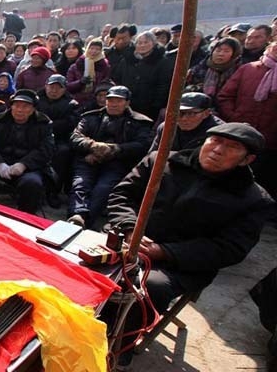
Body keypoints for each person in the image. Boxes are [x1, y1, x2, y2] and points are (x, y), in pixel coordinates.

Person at [106, 123, 274, 369]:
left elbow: (230, 248)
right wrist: (131, 229)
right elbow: (122, 195)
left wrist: (165, 252)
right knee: (79, 256)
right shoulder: (161, 161)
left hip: (180, 265)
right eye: (215, 140)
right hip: (129, 240)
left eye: (232, 147)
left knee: (149, 285)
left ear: (247, 159)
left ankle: (118, 349)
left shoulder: (254, 199)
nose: (218, 149)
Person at [68, 86, 153, 230]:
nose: (113, 104)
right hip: (89, 159)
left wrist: (114, 149)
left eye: (118, 101)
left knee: (103, 189)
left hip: (117, 164)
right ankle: (77, 215)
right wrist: (92, 145)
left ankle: (84, 221)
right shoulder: (90, 117)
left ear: (127, 103)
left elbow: (141, 145)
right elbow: (75, 137)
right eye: (110, 100)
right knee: (80, 184)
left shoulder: (140, 122)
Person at [0, 89, 55, 213]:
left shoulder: (43, 124)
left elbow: (46, 149)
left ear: (33, 109)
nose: (20, 110)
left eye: (25, 106)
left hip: (29, 168)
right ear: (11, 106)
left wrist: (24, 164)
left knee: (32, 183)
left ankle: (26, 216)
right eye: (17, 105)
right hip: (0, 164)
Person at [217, 41, 277, 198]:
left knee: (262, 184)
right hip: (238, 135)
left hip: (270, 143)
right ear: (269, 47)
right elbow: (225, 96)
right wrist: (234, 118)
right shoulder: (248, 69)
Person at [110, 30, 173, 121]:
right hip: (127, 105)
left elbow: (164, 85)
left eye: (146, 42)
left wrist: (157, 104)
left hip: (150, 107)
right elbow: (117, 79)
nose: (142, 45)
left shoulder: (162, 62)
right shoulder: (127, 60)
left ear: (154, 44)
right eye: (139, 43)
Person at [37, 74, 80, 203]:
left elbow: (70, 124)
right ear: (46, 86)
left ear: (64, 89)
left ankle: (53, 192)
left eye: (58, 88)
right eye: (51, 87)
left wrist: (48, 125)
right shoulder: (36, 100)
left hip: (59, 139)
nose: (54, 91)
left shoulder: (72, 104)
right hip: (36, 136)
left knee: (63, 153)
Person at [149, 92, 224, 153]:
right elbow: (152, 155)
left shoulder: (219, 133)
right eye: (179, 113)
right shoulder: (166, 127)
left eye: (191, 114)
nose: (183, 118)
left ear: (206, 113)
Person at [184, 36, 242, 105]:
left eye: (226, 51)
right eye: (218, 50)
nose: (221, 54)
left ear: (235, 54)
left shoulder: (239, 72)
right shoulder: (198, 69)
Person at [66, 38, 111, 107]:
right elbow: (68, 86)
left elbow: (105, 84)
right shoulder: (76, 66)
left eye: (97, 49)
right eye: (91, 48)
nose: (94, 51)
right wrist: (80, 82)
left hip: (96, 102)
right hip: (77, 102)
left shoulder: (104, 66)